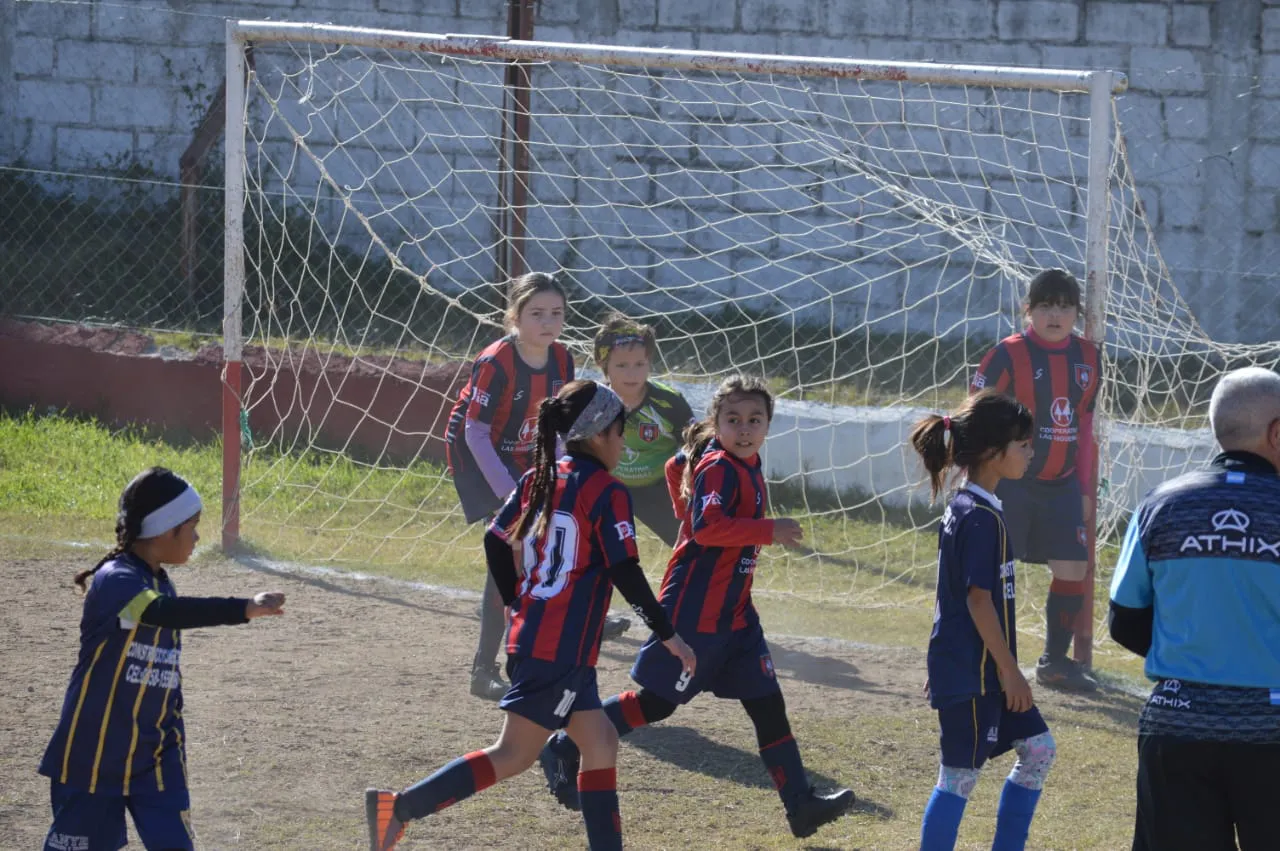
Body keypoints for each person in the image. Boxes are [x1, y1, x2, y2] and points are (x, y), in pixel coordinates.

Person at [366, 380, 696, 851]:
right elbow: (625, 571)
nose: (624, 442)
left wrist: (514, 599)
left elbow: (495, 540)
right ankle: (397, 808)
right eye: (621, 432)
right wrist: (670, 636)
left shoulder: (542, 476)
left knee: (600, 741)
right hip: (557, 650)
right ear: (600, 433)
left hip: (546, 641)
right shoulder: (606, 490)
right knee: (515, 754)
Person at [537, 375, 856, 840]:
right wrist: (766, 528)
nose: (744, 429)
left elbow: (674, 465)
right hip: (695, 612)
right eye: (733, 420)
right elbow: (708, 529)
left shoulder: (738, 460)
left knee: (769, 706)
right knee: (657, 705)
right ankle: (564, 745)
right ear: (716, 422)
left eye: (754, 420)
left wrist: (685, 506)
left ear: (768, 424)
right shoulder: (721, 467)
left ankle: (801, 806)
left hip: (736, 615)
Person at [38, 467, 286, 851]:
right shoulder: (116, 580)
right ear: (165, 529)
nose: (198, 537)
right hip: (94, 754)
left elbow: (162, 671)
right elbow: (162, 613)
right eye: (193, 525)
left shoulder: (160, 580)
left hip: (154, 754)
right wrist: (243, 608)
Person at [1109, 366, 1280, 851]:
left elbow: (1124, 619)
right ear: (1276, 432)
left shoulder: (1159, 506)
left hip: (1177, 726)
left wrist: (1193, 659)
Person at [444, 272, 629, 701]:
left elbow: (557, 425)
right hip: (479, 457)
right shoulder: (496, 360)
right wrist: (513, 495)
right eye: (536, 314)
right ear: (515, 317)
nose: (548, 322)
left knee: (567, 527)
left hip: (528, 450)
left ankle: (584, 622)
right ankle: (482, 670)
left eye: (557, 313)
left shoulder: (562, 359)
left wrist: (563, 471)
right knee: (513, 547)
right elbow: (475, 433)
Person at [910, 390, 1056, 851]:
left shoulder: (976, 507)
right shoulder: (977, 518)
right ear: (994, 452)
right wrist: (1011, 671)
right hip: (976, 675)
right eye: (1024, 444)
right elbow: (977, 601)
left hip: (981, 672)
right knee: (958, 778)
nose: (1031, 453)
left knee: (1037, 750)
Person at [971, 268, 1102, 691]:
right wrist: (980, 481)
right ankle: (982, 656)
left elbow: (1084, 428)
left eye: (1065, 306)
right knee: (992, 573)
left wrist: (1084, 488)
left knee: (1074, 568)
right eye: (1045, 305)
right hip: (1012, 483)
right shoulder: (1006, 355)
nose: (1055, 314)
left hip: (1062, 484)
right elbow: (975, 416)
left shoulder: (1089, 357)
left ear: (1076, 313)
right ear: (1027, 310)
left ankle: (1055, 662)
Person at [592, 313, 696, 549]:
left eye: (640, 364)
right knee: (596, 551)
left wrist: (691, 472)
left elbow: (697, 444)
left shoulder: (669, 402)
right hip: (609, 487)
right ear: (603, 364)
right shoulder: (593, 402)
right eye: (622, 365)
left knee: (692, 547)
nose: (632, 373)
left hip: (659, 487)